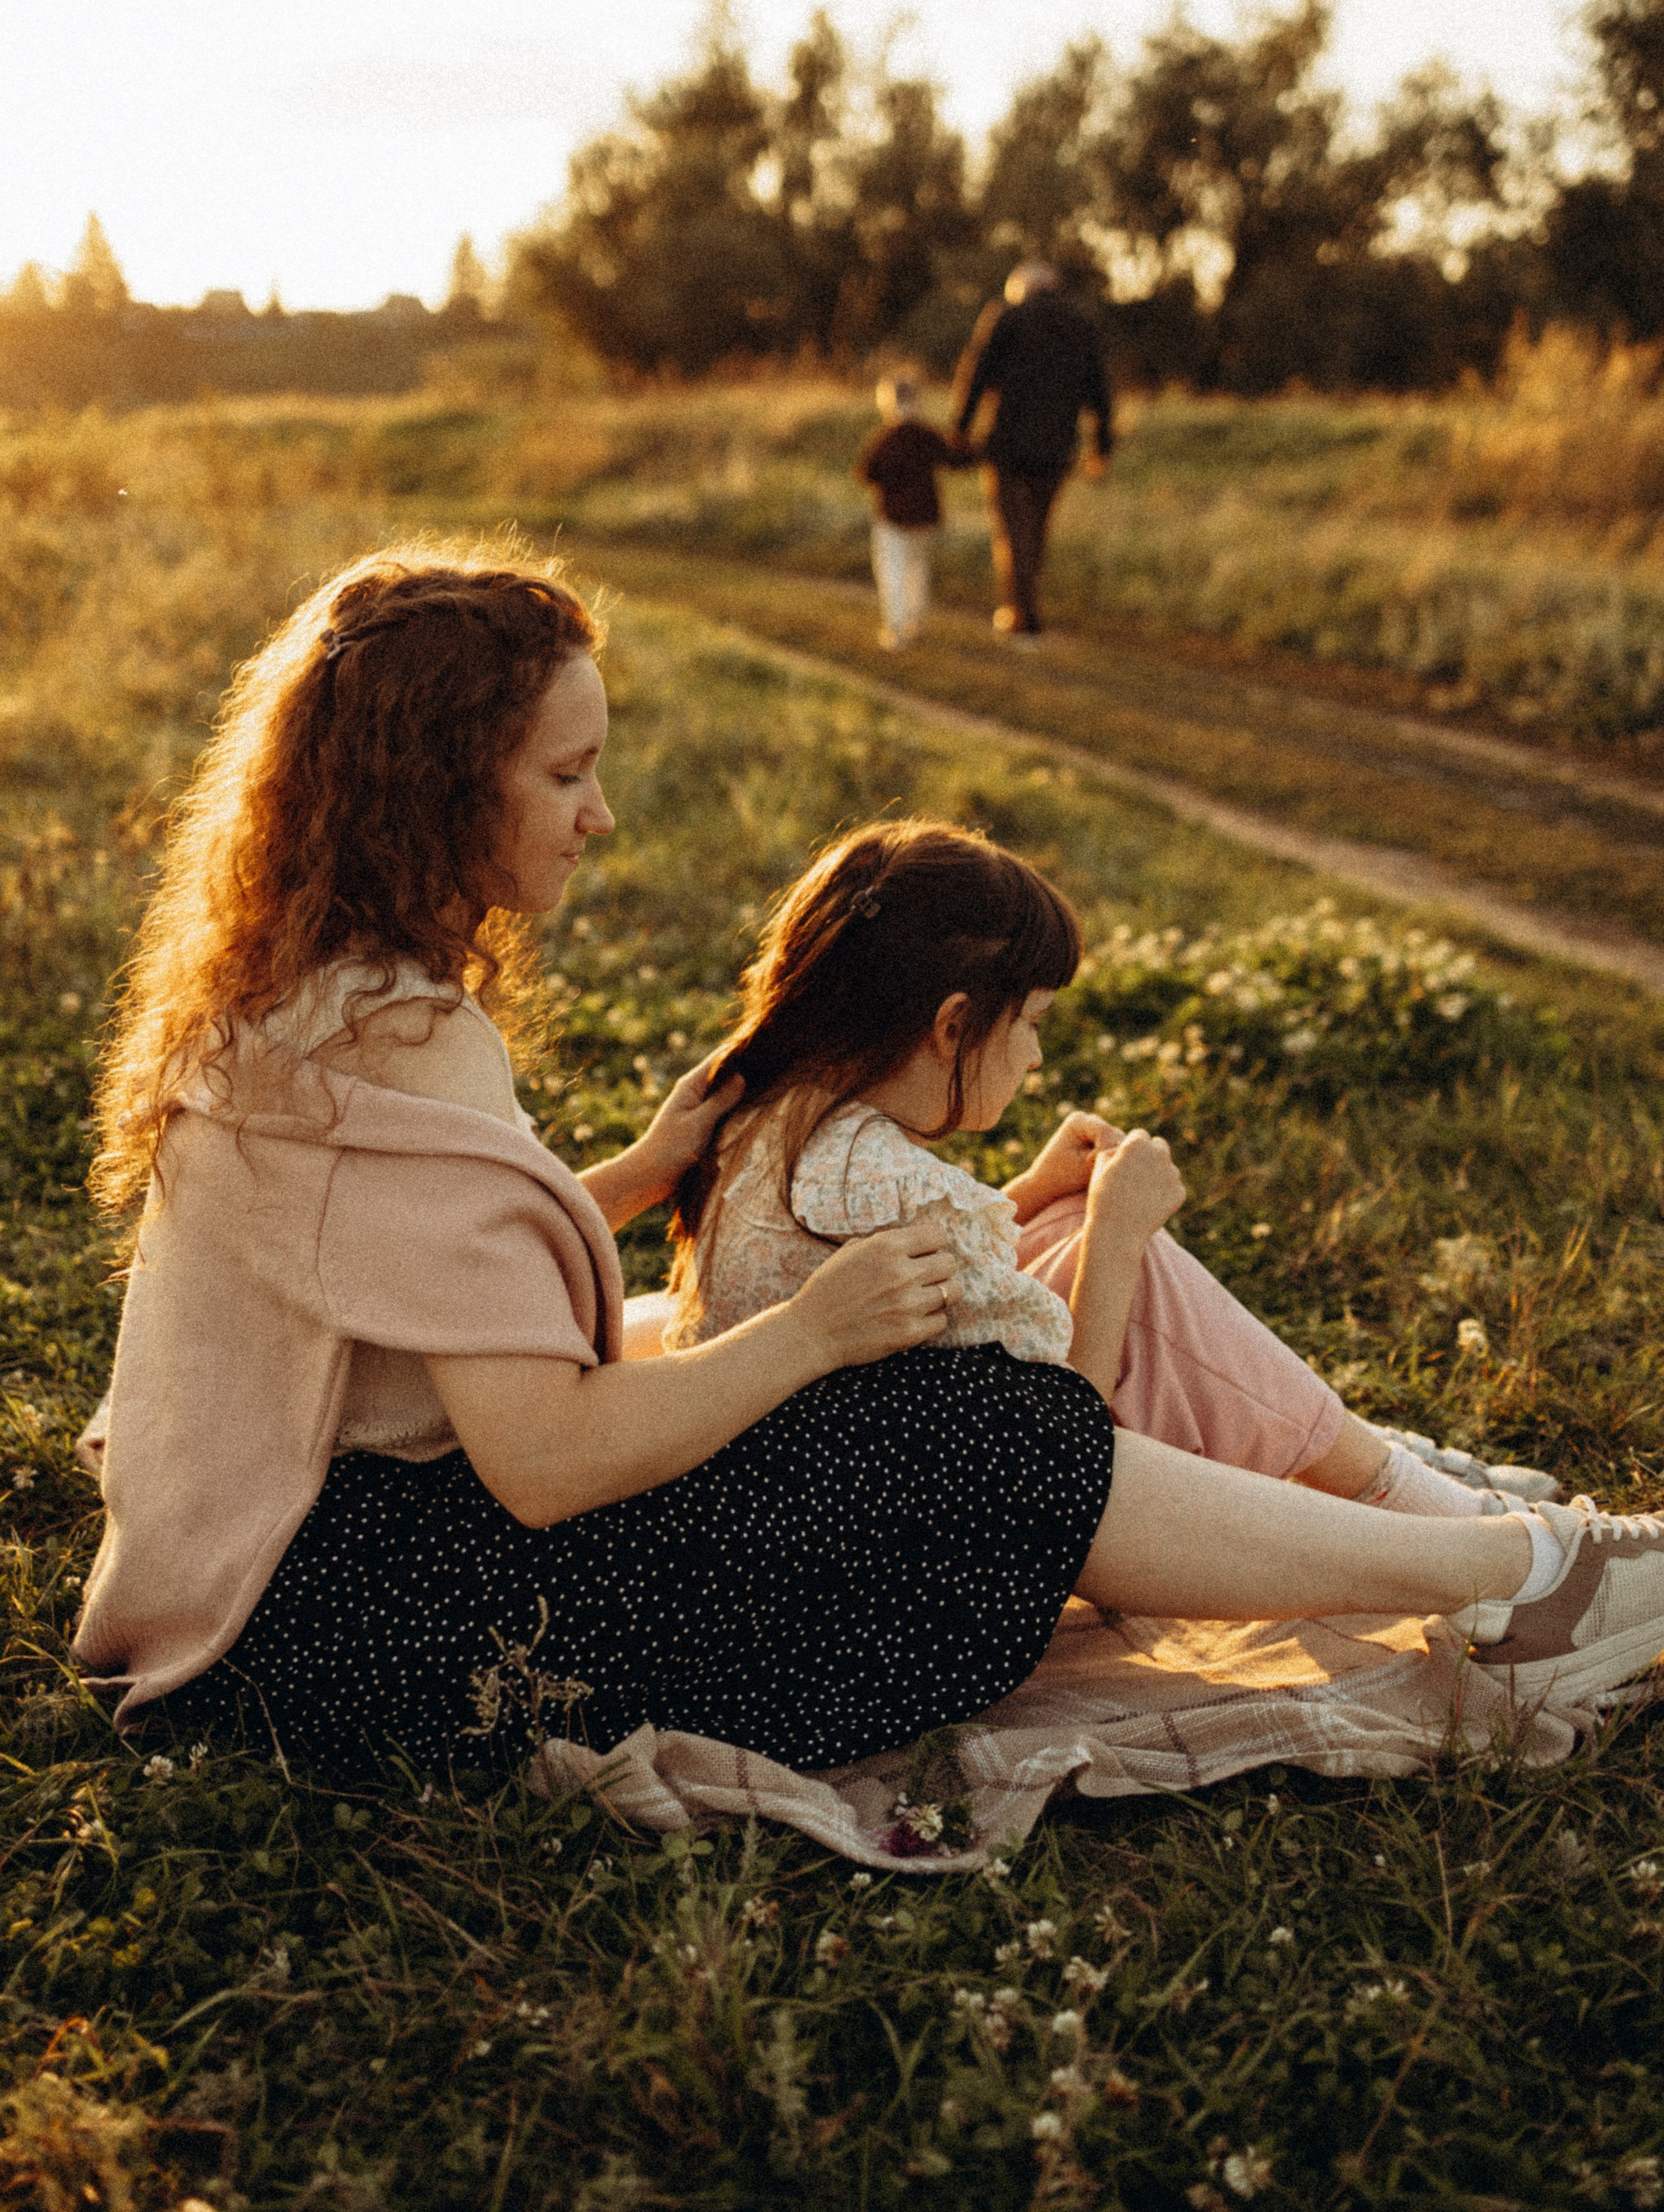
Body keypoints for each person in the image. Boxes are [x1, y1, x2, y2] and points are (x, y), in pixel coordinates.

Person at [72, 554, 1664, 1786]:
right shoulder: (406, 1035)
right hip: (328, 1636)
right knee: (983, 1438)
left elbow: (397, 1283)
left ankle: (1500, 1562)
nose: (601, 814)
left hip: (285, 1585)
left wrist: (625, 1177)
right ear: (433, 782)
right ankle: (1511, 1575)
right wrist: (815, 1330)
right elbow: (544, 1462)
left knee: (951, 1426)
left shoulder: (307, 991)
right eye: (564, 775)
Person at [666, 821, 1554, 1520]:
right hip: (915, 1555)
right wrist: (1123, 1235)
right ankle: (1400, 1488)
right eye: (1036, 1023)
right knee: (1133, 1271)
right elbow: (1064, 1444)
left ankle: (1360, 1460)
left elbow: (915, 1290)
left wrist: (1035, 1196)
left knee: (1058, 1228)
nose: (1038, 1058)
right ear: (951, 1027)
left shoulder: (765, 1113)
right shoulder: (895, 1176)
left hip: (814, 1491)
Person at [950, 261, 1111, 640]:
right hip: (1057, 448)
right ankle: (1026, 604)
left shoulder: (1006, 319)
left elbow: (976, 374)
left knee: (1011, 530)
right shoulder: (1082, 327)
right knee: (1036, 529)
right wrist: (1100, 449)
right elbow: (1101, 395)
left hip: (1007, 444)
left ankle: (1023, 612)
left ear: (1020, 289)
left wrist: (960, 429)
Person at [853, 374, 975, 650]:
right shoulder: (928, 435)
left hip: (893, 517)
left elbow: (866, 473)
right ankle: (915, 621)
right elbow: (955, 459)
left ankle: (895, 630)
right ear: (918, 402)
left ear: (888, 404)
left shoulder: (887, 439)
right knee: (917, 567)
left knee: (892, 571)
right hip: (925, 516)